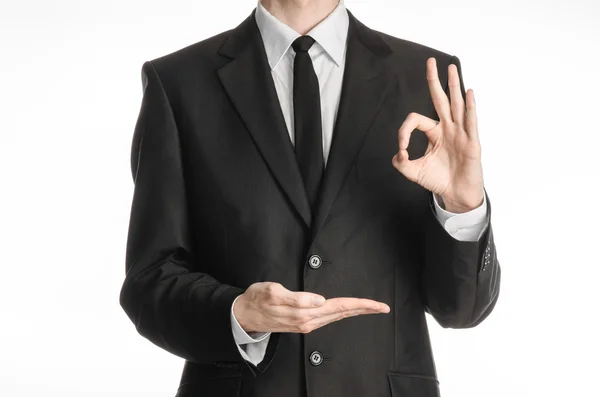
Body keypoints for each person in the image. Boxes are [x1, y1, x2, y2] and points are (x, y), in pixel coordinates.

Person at [119, 0, 501, 396]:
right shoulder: (179, 82)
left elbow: (461, 310)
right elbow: (149, 279)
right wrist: (237, 313)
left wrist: (462, 208)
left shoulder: (425, 77)